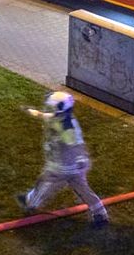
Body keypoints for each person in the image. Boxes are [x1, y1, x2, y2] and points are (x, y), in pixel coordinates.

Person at [16, 91, 109, 229]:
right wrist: (31, 111)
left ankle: (30, 202)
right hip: (75, 166)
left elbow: (73, 143)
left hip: (61, 166)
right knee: (83, 189)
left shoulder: (66, 127)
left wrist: (77, 157)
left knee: (44, 183)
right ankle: (100, 213)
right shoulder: (61, 119)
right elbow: (44, 116)